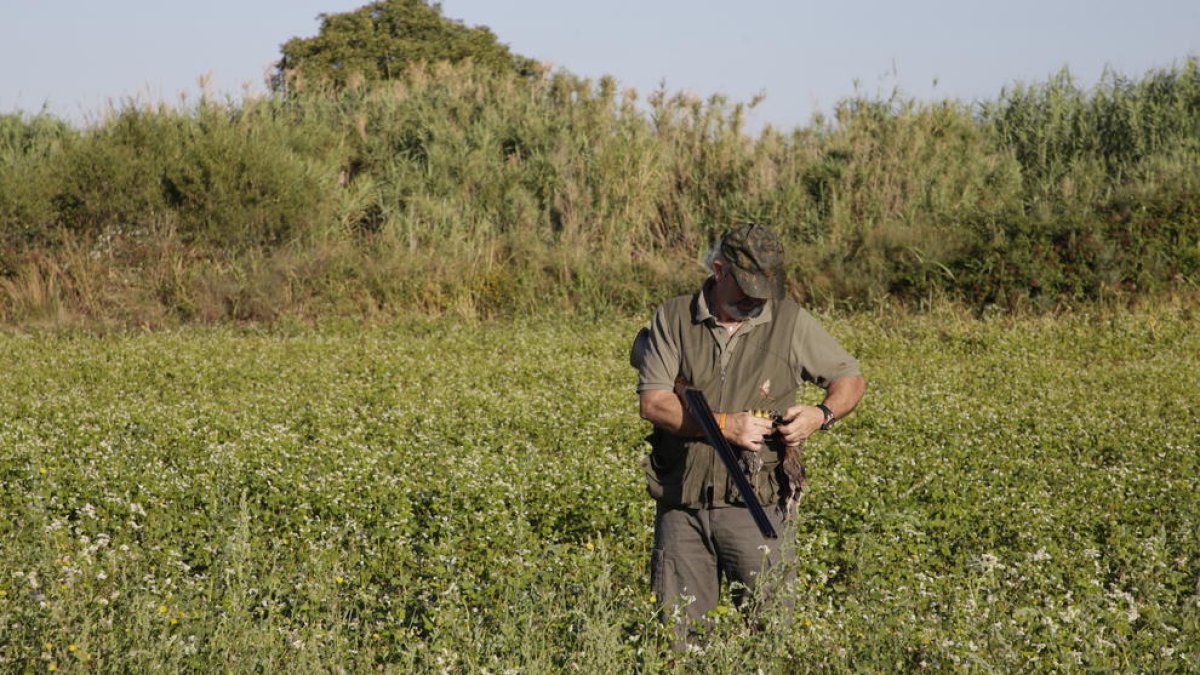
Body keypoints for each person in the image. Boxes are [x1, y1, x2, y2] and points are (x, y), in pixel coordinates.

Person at [631, 223, 865, 640]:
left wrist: (820, 414)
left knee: (769, 634)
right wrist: (725, 426)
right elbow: (655, 403)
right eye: (747, 289)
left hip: (756, 505)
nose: (757, 300)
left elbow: (850, 378)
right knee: (678, 640)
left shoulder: (789, 320)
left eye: (765, 289)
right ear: (719, 271)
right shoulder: (673, 317)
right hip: (682, 504)